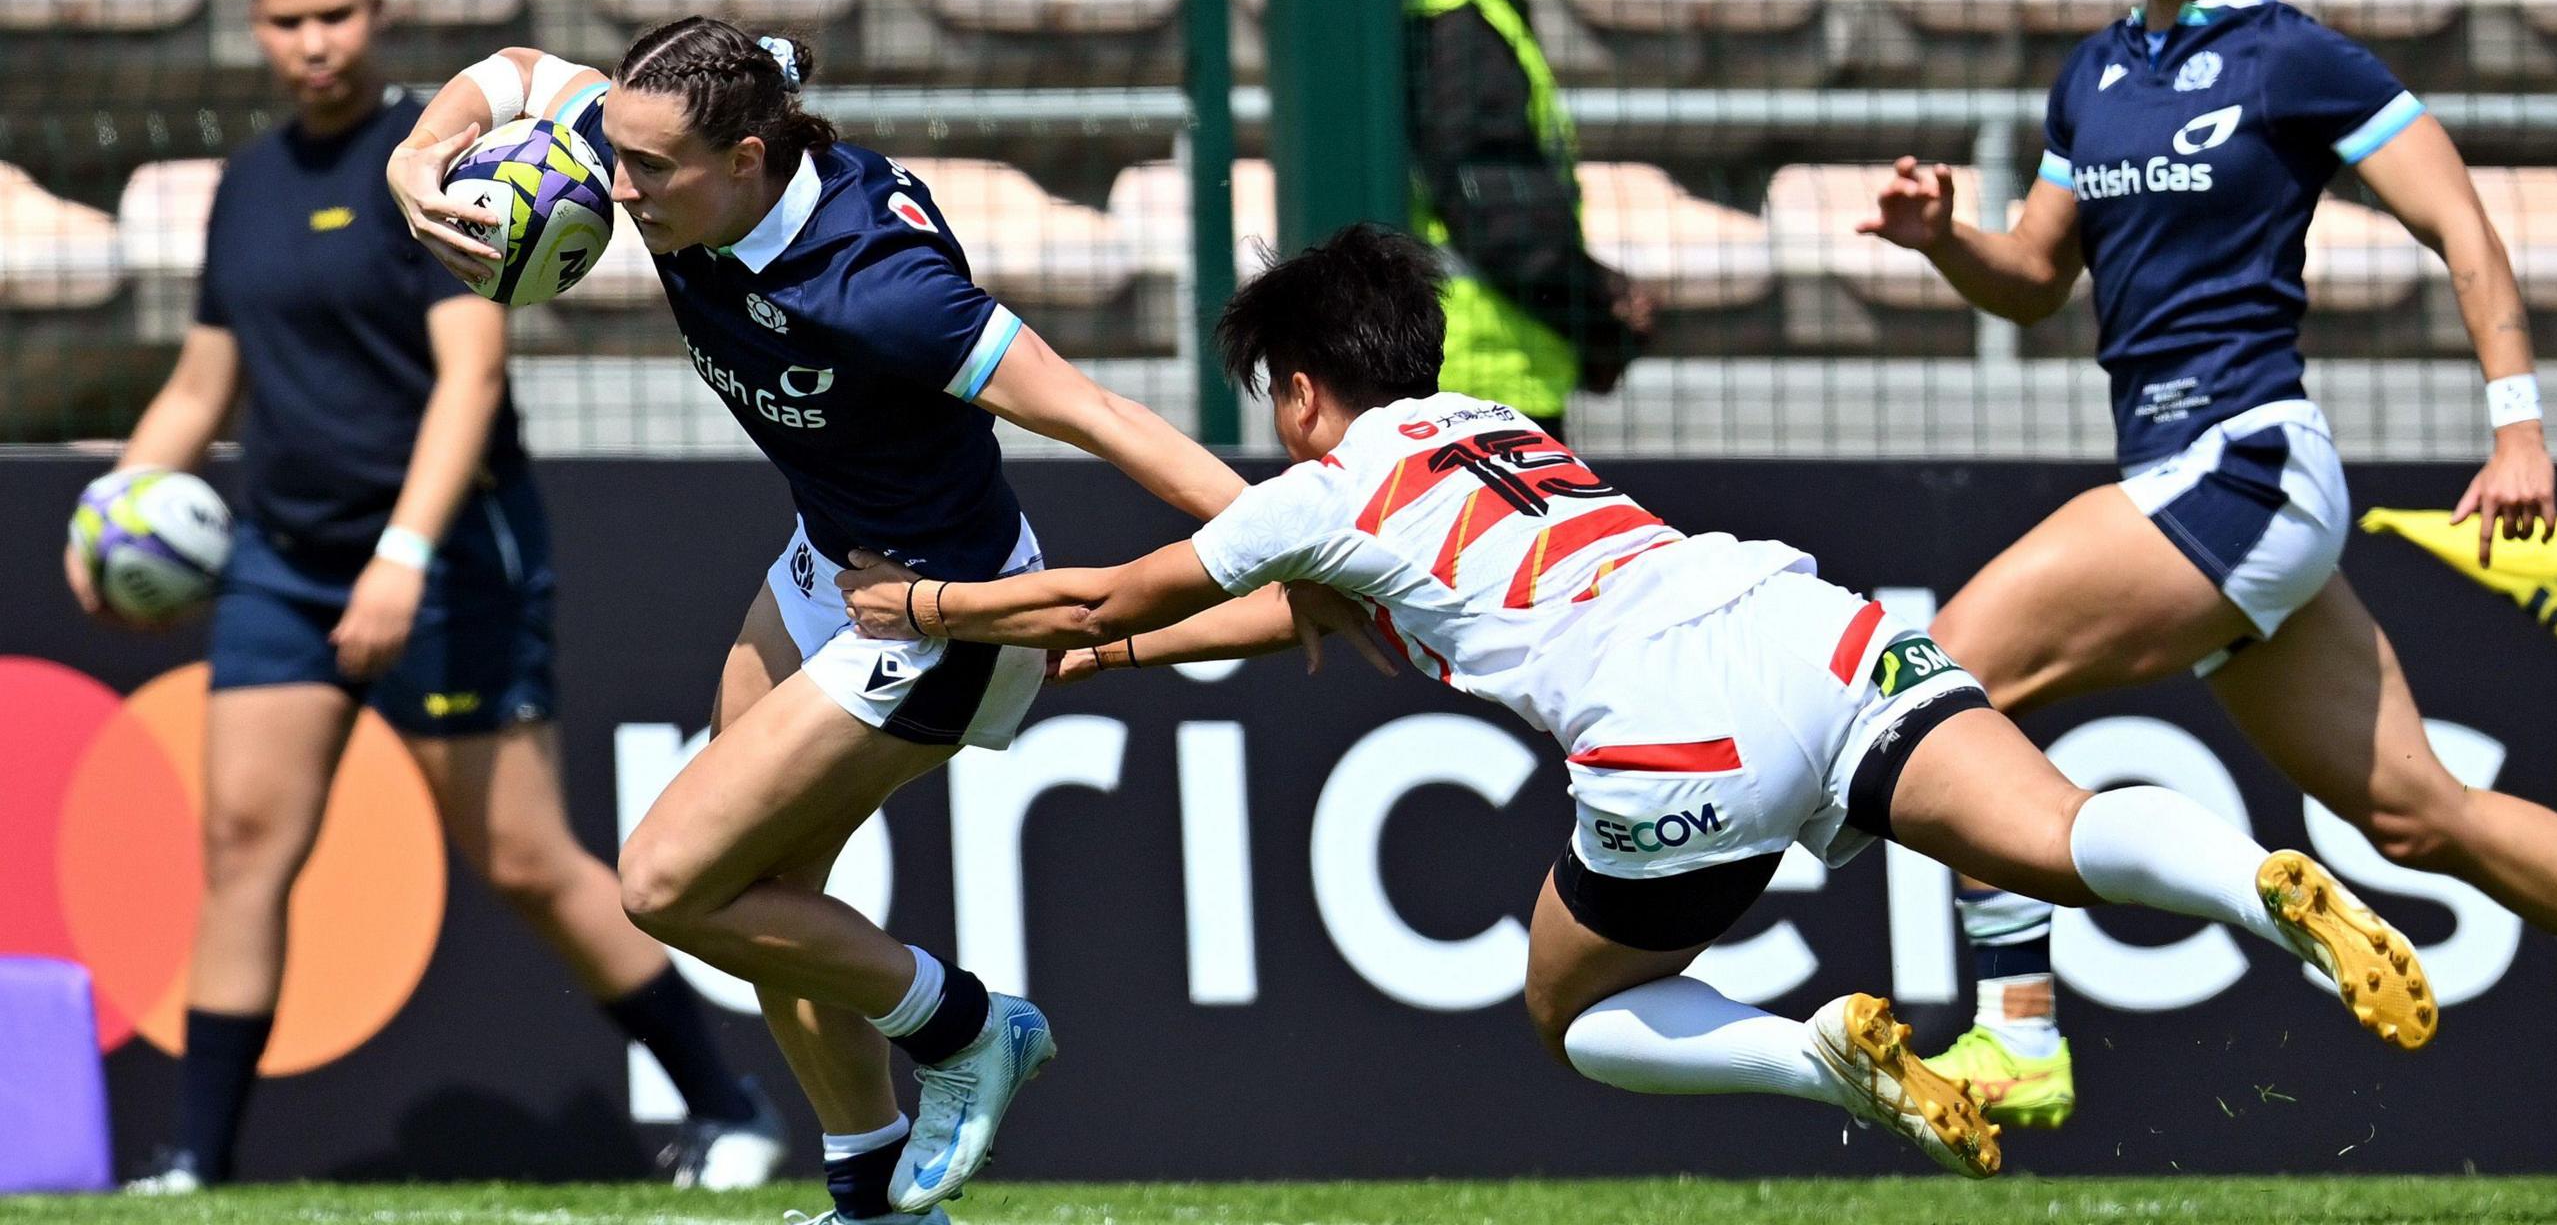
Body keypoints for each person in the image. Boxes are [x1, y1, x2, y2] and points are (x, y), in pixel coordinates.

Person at [838, 223, 2438, 1180]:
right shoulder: (1492, 422)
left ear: (1301, 391)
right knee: (2062, 832)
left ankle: (1822, 1055)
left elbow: (1124, 587)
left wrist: (930, 605)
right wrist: (1120, 661)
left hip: (1677, 728)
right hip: (1805, 622)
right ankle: (2257, 882)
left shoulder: (1314, 487)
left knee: (1580, 1017)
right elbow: (1295, 614)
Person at [383, 16, 1343, 1222]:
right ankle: (877, 1201)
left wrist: (1307, 541)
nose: (614, 191)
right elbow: (519, 74)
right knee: (770, 904)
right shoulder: (654, 150)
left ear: (746, 161)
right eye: (612, 157)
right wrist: (416, 158)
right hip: (823, 558)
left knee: (669, 884)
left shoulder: (878, 288)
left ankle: (969, 1024)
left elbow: (1101, 414)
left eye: (647, 172)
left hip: (937, 608)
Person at [65, 0, 780, 1194]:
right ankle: (195, 1174)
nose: (314, 41)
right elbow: (203, 385)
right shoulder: (249, 189)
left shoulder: (440, 162)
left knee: (519, 856)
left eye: (336, 14)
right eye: (288, 22)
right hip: (284, 558)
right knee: (242, 849)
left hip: (448, 554)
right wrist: (108, 507)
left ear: (375, 14)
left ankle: (727, 1106)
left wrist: (401, 558)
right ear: (258, 30)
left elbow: (472, 377)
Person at [1856, 0, 2557, 1129]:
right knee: (2421, 817)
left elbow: (2461, 221)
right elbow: (2030, 281)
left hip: (2245, 465)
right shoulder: (2094, 74)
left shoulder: (2299, 59)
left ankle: (2016, 1037)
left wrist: (2520, 424)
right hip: (2202, 496)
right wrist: (1948, 238)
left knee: (1937, 690)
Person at [1407, 0, 1652, 439]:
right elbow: (1496, 208)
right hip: (1470, 390)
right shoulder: (1452, 14)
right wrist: (1598, 316)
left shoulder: (1472, 2)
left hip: (1479, 382)